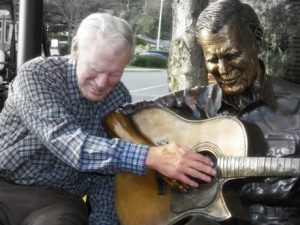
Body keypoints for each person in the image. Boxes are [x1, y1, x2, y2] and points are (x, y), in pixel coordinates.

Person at [0, 13, 216, 225]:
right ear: (75, 48)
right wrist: (152, 156)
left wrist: (103, 221)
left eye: (115, 73)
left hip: (60, 201)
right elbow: (67, 142)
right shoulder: (37, 75)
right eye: (95, 69)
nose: (103, 83)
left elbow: (106, 175)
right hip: (5, 186)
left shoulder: (119, 97)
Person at [109, 0, 300, 224]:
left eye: (231, 55)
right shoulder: (192, 102)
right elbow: (117, 118)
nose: (223, 69)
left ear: (257, 41)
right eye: (212, 59)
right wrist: (157, 158)